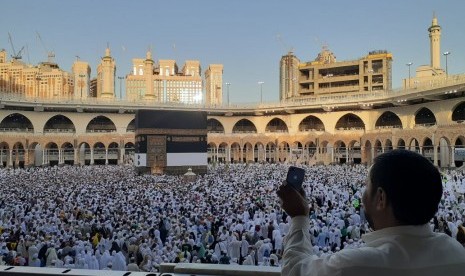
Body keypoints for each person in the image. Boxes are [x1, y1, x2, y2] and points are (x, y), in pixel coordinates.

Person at [277, 149, 465, 276]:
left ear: (380, 198)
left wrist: (299, 217)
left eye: (366, 186)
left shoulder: (354, 265)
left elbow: (295, 270)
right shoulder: (457, 254)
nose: (363, 193)